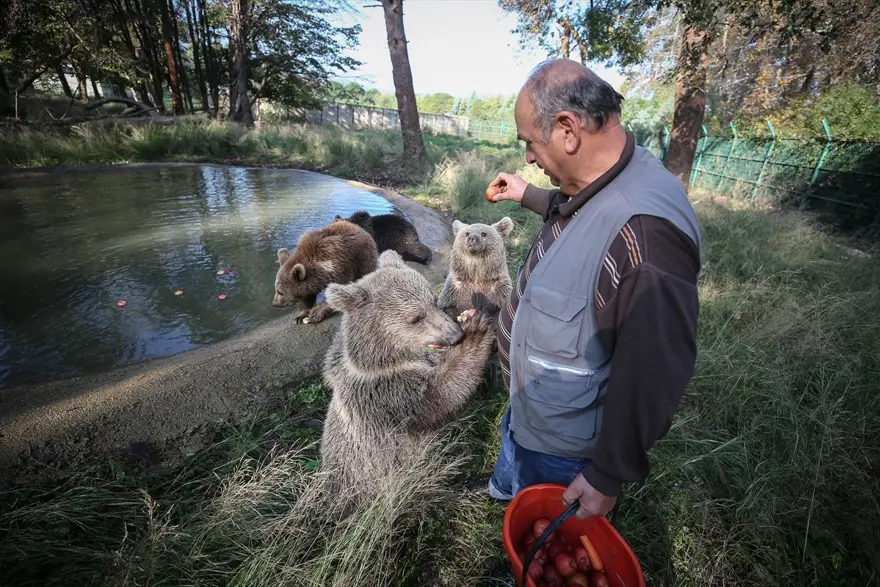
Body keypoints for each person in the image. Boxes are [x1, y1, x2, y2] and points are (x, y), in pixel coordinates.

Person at [483, 59, 702, 520]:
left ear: (567, 130)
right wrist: (529, 195)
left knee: (545, 537)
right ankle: (506, 488)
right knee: (516, 475)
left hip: (564, 452)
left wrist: (606, 473)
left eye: (529, 142)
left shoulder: (646, 236)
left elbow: (653, 372)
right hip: (536, 412)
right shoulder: (609, 172)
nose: (528, 157)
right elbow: (583, 207)